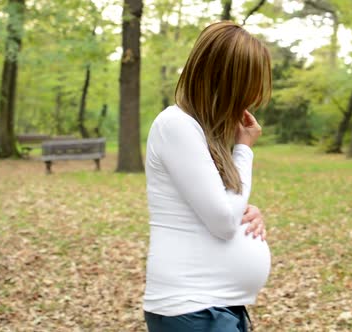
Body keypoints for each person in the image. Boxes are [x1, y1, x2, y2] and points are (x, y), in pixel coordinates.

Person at [143, 21, 272, 332]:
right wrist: (244, 150)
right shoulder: (176, 125)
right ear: (227, 81)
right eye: (248, 88)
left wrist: (248, 212)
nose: (250, 101)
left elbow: (221, 209)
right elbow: (223, 221)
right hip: (193, 309)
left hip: (216, 306)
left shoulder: (202, 133)